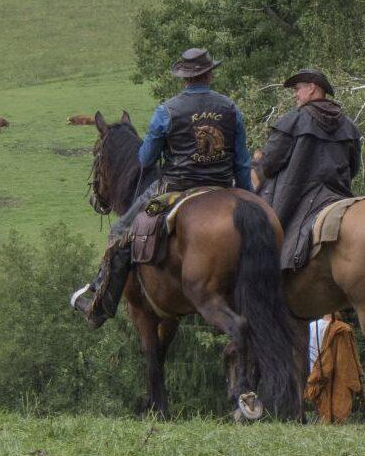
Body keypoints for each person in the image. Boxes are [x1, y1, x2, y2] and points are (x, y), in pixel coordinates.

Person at [70, 48, 251, 326]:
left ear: (184, 78)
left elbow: (145, 158)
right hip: (222, 186)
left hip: (175, 187)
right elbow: (242, 161)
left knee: (120, 231)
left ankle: (99, 307)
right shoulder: (230, 108)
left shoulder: (167, 111)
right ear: (210, 74)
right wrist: (249, 195)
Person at [253, 68, 362, 271]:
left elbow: (268, 166)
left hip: (297, 199)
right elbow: (354, 168)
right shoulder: (349, 126)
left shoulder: (292, 122)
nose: (295, 94)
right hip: (338, 195)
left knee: (260, 242)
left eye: (298, 89)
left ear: (312, 89)